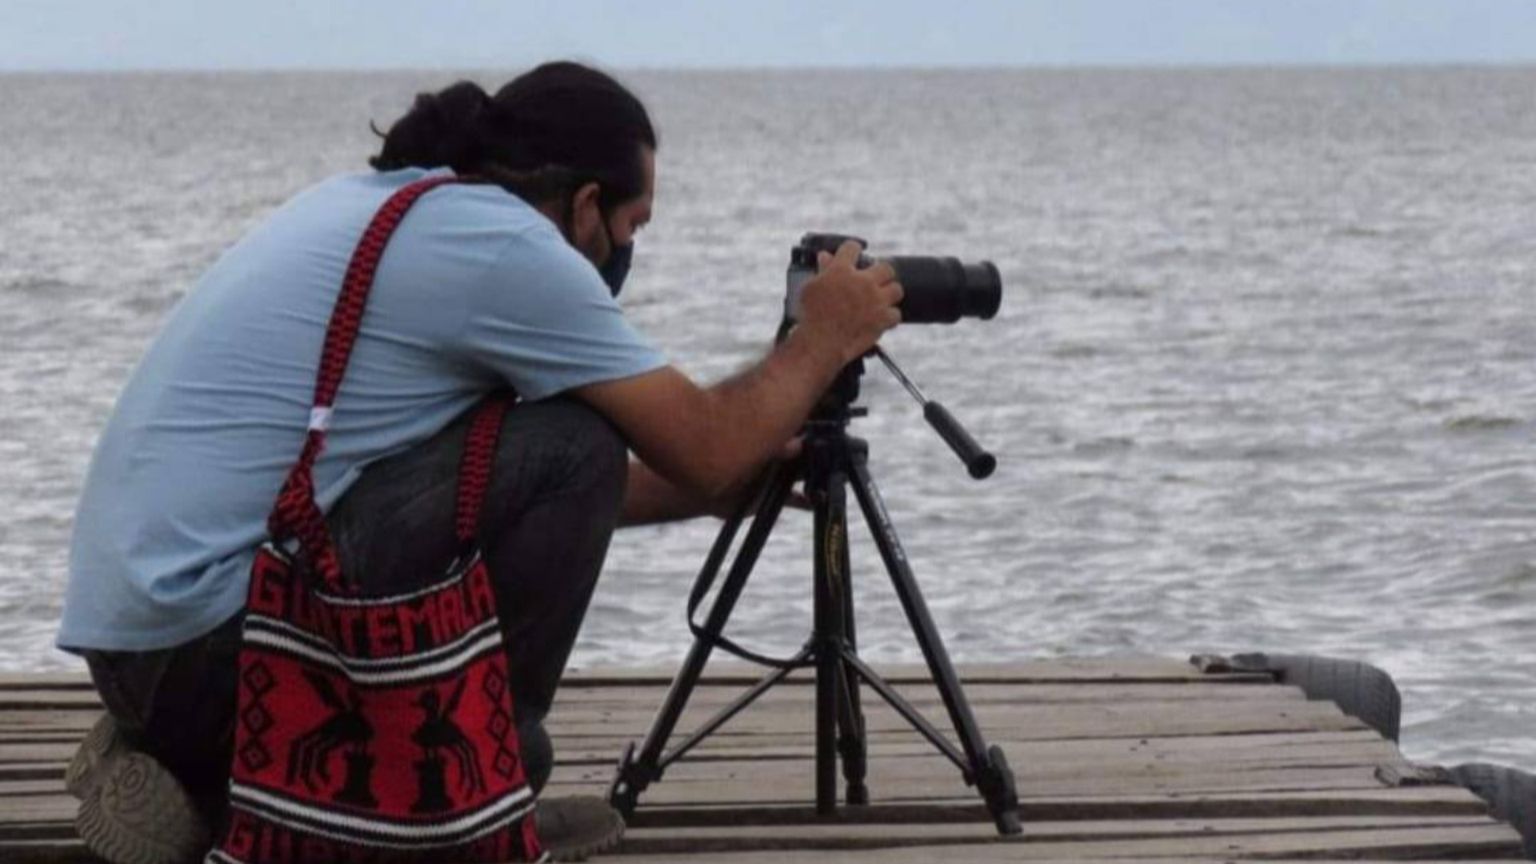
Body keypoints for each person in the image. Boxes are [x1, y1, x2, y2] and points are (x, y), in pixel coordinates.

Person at [56, 61, 902, 864]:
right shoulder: (503, 248)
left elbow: (522, 486)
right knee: (578, 437)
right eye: (633, 226)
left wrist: (705, 494)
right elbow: (703, 446)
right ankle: (472, 792)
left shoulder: (393, 207)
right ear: (584, 205)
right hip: (212, 650)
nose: (627, 251)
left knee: (553, 442)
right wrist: (825, 335)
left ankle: (185, 764)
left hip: (148, 643)